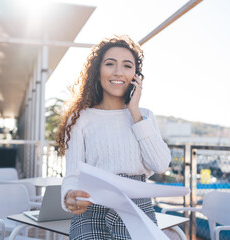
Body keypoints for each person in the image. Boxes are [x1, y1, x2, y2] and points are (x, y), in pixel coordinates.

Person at [55, 35, 171, 239]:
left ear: (136, 75)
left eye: (127, 66)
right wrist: (69, 197)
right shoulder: (80, 118)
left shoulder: (145, 116)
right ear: (97, 70)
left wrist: (134, 112)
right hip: (92, 209)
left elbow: (160, 164)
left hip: (137, 209)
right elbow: (72, 175)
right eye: (110, 64)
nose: (118, 72)